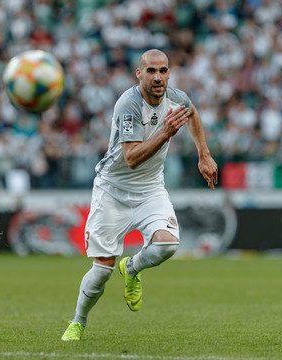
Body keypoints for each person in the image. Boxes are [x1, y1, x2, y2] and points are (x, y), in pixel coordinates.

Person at [61, 49, 218, 341]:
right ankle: (78, 322)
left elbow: (192, 112)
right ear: (139, 73)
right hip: (113, 190)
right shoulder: (128, 105)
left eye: (163, 71)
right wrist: (165, 133)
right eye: (151, 71)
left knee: (168, 245)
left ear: (169, 73)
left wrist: (203, 155)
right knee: (102, 270)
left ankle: (132, 268)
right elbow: (132, 158)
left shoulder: (177, 98)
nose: (158, 77)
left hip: (150, 189)